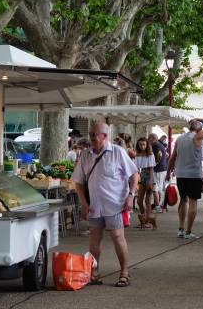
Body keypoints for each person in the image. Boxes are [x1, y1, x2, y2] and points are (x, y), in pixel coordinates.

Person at [72, 122, 139, 288]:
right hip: (95, 205)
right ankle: (94, 273)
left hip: (115, 204)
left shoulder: (117, 152)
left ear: (105, 136)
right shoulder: (86, 155)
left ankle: (124, 272)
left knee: (117, 237)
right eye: (91, 134)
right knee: (94, 240)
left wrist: (130, 196)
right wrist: (83, 203)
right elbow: (78, 182)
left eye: (97, 134)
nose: (93, 138)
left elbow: (134, 175)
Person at [166, 117, 203, 239]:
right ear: (198, 129)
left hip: (181, 174)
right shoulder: (197, 137)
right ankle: (188, 232)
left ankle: (181, 229)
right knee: (193, 202)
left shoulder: (179, 139)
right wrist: (199, 119)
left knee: (183, 200)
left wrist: (168, 173)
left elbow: (172, 158)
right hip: (193, 175)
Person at [133, 137, 156, 228]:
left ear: (147, 145)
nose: (142, 146)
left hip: (149, 176)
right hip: (141, 176)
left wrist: (150, 181)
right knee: (139, 201)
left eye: (144, 144)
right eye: (140, 144)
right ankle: (144, 219)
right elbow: (136, 168)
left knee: (147, 201)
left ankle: (147, 221)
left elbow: (151, 169)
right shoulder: (137, 155)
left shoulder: (150, 154)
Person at [149, 133, 168, 213]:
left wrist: (155, 163)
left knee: (155, 189)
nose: (148, 140)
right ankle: (160, 206)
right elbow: (167, 155)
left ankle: (158, 206)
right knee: (159, 188)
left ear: (152, 138)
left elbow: (159, 154)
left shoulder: (155, 145)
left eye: (149, 138)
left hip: (158, 169)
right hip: (162, 169)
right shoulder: (160, 144)